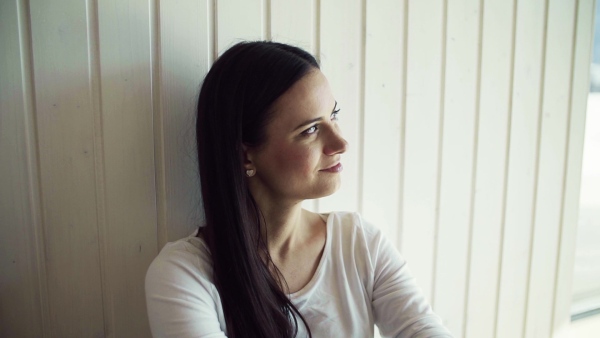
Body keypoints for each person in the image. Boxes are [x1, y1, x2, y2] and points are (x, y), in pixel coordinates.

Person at [145, 41, 453, 338]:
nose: (340, 143)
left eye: (333, 115)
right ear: (245, 155)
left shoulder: (360, 243)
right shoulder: (184, 276)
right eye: (310, 130)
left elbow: (422, 329)